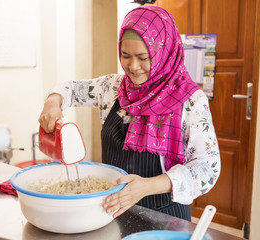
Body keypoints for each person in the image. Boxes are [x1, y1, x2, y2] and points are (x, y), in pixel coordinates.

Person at [38, 5, 220, 221]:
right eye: (126, 56)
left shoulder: (190, 100)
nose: (133, 67)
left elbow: (207, 169)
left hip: (166, 217)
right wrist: (52, 102)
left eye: (143, 57)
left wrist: (146, 186)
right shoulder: (112, 88)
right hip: (113, 210)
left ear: (164, 52)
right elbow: (70, 89)